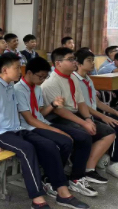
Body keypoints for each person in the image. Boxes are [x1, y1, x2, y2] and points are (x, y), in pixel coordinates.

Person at [0, 53, 88, 209]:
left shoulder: (10, 85)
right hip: (0, 133)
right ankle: (38, 200)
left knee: (49, 145)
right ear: (5, 69)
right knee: (27, 149)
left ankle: (62, 191)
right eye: (17, 68)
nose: (20, 71)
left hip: (16, 129)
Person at [15, 57, 93, 197]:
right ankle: (50, 179)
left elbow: (40, 113)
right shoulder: (18, 90)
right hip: (28, 127)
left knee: (83, 137)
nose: (42, 80)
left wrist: (53, 105)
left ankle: (74, 177)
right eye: (40, 76)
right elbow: (30, 119)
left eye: (45, 77)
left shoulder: (37, 88)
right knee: (64, 141)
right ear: (29, 73)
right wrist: (56, 130)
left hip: (42, 123)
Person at [41, 47, 114, 188]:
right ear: (58, 63)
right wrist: (84, 123)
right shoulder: (51, 83)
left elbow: (81, 102)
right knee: (84, 135)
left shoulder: (72, 78)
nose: (74, 62)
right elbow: (60, 111)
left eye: (74, 59)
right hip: (56, 117)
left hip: (74, 114)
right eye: (70, 59)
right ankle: (76, 177)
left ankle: (88, 169)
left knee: (108, 132)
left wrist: (88, 119)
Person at [74, 48, 118, 181]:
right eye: (89, 60)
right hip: (83, 115)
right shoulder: (74, 80)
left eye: (93, 60)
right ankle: (113, 162)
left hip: (95, 112)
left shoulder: (88, 79)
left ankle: (105, 155)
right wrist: (104, 117)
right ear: (79, 63)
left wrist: (117, 113)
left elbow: (98, 102)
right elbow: (83, 106)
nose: (93, 63)